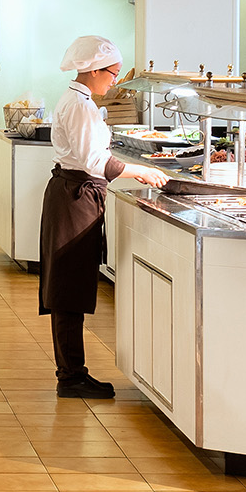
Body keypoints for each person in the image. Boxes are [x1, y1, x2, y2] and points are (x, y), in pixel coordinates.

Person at [39, 34, 170, 399]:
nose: (114, 81)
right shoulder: (79, 105)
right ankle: (71, 377)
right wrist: (141, 172)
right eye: (112, 73)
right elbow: (94, 161)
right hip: (74, 197)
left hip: (76, 195)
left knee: (71, 286)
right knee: (68, 289)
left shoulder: (81, 100)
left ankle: (72, 372)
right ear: (94, 70)